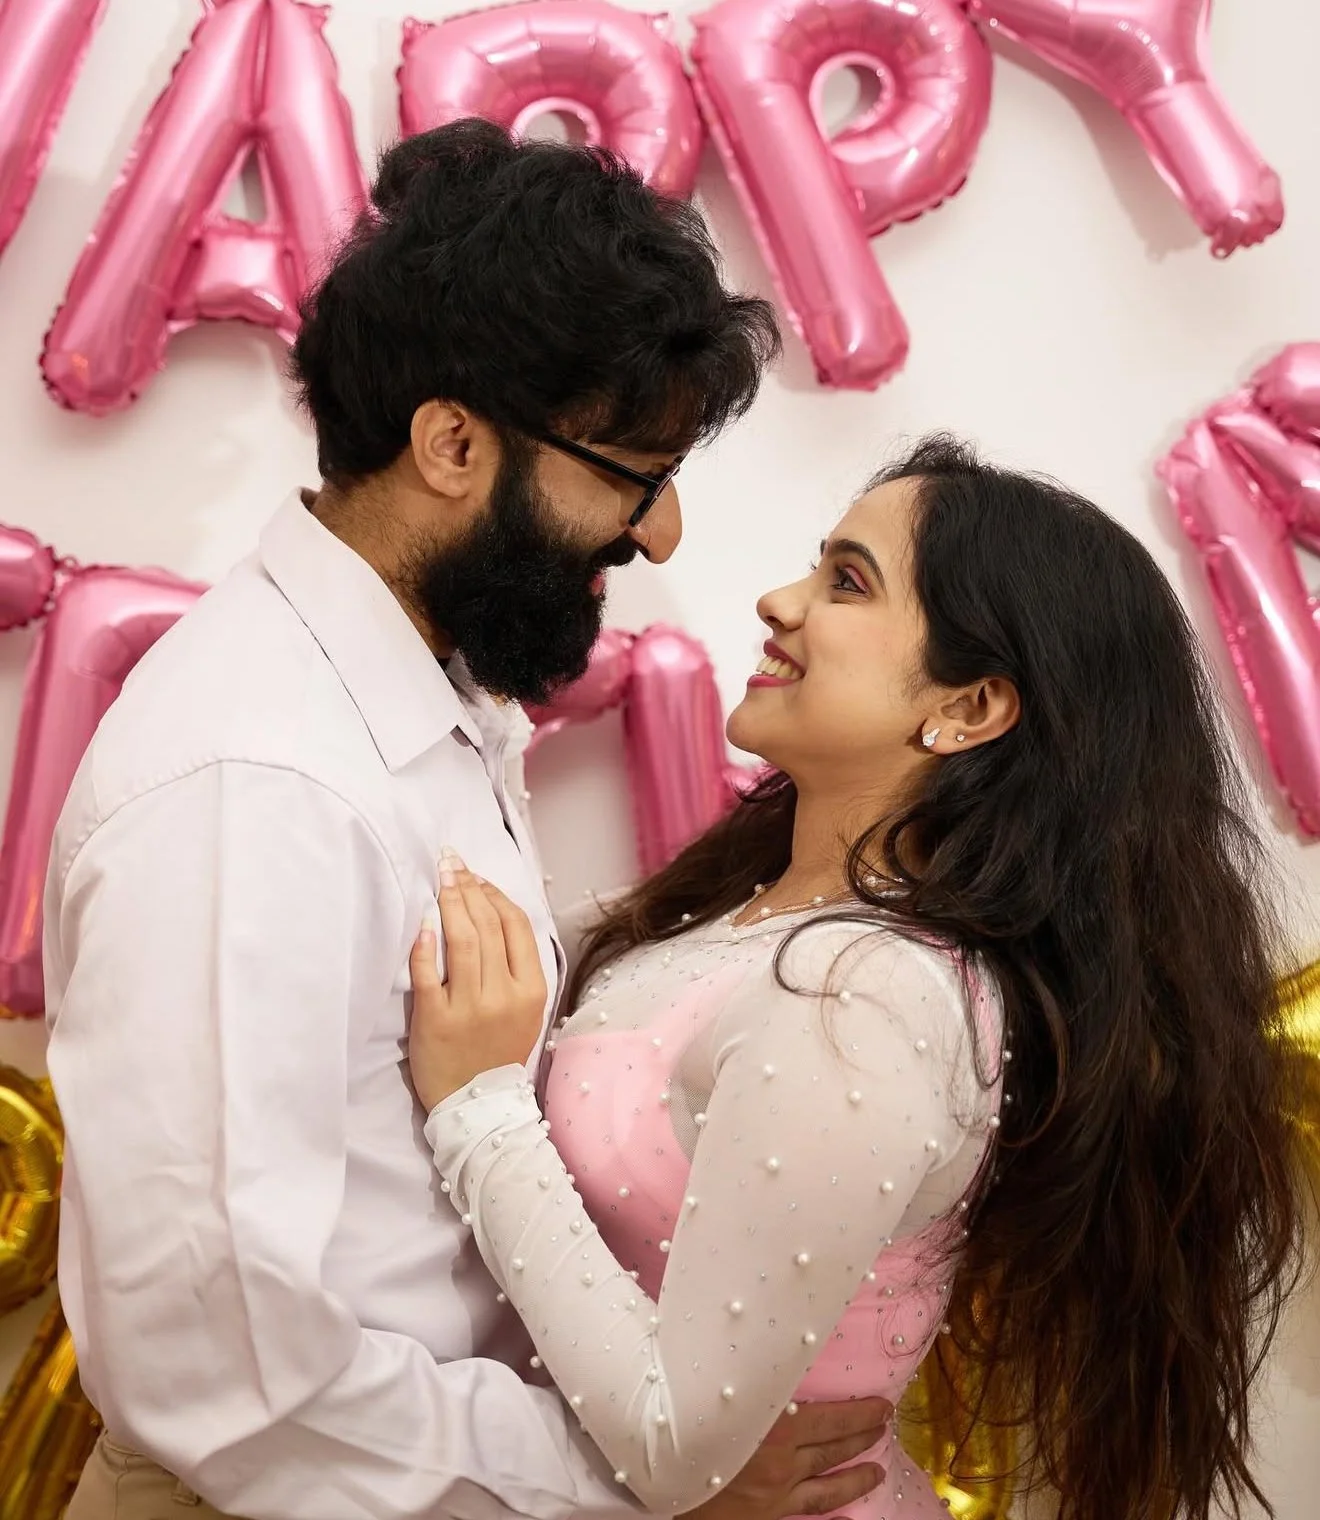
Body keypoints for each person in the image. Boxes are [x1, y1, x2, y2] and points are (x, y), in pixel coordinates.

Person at [44, 119, 892, 1520]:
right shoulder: (257, 788)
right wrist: (641, 1482)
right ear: (449, 443)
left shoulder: (421, 694)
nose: (662, 534)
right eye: (630, 476)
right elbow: (232, 1381)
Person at [406, 434, 1310, 1520]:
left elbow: (673, 1442)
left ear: (971, 707)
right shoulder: (762, 917)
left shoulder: (864, 995)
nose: (780, 602)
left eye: (847, 581)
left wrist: (481, 1108)